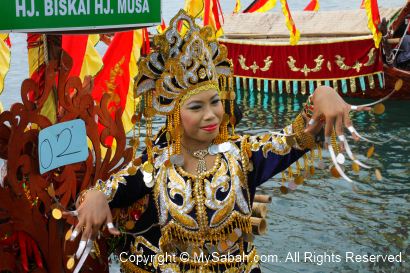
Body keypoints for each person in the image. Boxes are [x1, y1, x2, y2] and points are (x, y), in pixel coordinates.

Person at [66, 10, 370, 273]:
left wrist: (323, 93)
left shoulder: (244, 156)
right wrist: (94, 197)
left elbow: (298, 135)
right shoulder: (154, 167)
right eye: (196, 107)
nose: (211, 116)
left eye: (215, 102)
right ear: (173, 114)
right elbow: (106, 193)